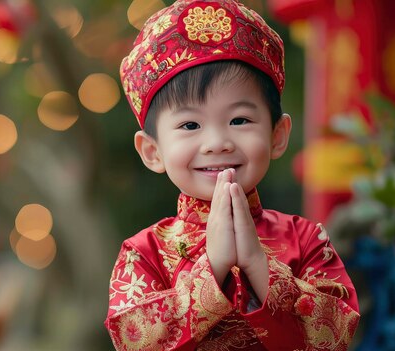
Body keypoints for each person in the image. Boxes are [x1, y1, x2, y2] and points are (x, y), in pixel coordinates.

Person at [104, 0, 360, 350]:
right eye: (190, 125)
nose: (218, 143)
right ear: (153, 151)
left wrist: (260, 267)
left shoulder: (307, 240)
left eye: (239, 120)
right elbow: (134, 341)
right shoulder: (143, 253)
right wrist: (212, 269)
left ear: (277, 136)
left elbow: (336, 335)